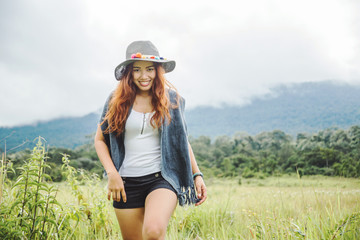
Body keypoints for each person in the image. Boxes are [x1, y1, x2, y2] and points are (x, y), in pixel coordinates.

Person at [94, 40, 207, 240]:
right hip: (126, 182)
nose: (144, 76)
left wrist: (197, 174)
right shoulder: (116, 100)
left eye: (149, 69)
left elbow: (181, 140)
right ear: (129, 72)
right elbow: (100, 140)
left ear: (157, 71)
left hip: (162, 178)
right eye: (137, 70)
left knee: (154, 231)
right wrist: (112, 174)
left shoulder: (171, 99)